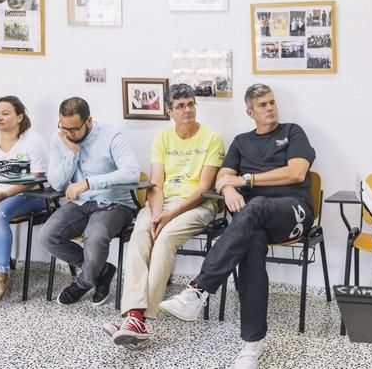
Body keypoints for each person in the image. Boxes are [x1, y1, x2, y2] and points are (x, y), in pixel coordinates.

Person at [159, 83, 316, 369]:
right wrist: (228, 190)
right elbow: (223, 178)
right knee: (250, 243)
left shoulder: (293, 132)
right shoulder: (242, 141)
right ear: (249, 112)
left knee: (255, 205)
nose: (270, 108)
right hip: (253, 220)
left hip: (293, 213)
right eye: (262, 105)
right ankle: (251, 345)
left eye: (272, 103)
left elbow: (297, 172)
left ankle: (199, 289)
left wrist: (245, 182)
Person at [104, 84, 225, 347]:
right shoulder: (162, 138)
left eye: (191, 104)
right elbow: (155, 184)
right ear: (170, 111)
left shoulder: (212, 138)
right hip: (163, 202)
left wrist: (168, 217)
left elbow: (205, 189)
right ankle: (132, 315)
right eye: (181, 106)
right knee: (140, 235)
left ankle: (142, 319)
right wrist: (157, 214)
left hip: (197, 205)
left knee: (165, 238)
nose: (188, 110)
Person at [39, 97, 140, 306]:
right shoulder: (61, 139)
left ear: (89, 121)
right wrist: (71, 153)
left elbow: (132, 173)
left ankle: (83, 282)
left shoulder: (111, 136)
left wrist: (88, 183)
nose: (68, 133)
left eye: (74, 128)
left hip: (115, 204)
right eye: (64, 127)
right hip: (80, 204)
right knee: (47, 236)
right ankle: (101, 271)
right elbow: (57, 183)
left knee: (94, 236)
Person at [0, 96, 48, 304]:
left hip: (30, 195)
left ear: (19, 116)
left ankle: (1, 276)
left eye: (5, 113)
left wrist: (3, 195)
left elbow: (38, 176)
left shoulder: (33, 141)